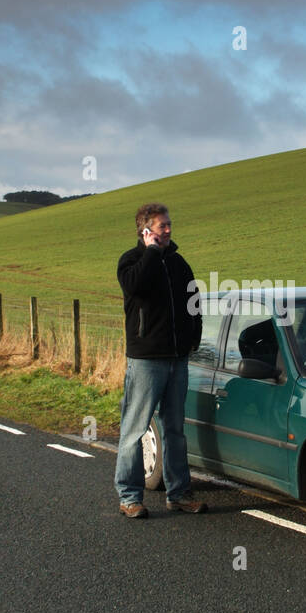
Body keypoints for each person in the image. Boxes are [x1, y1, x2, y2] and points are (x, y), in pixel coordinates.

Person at [113, 203, 205, 518]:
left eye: (168, 225)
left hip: (178, 359)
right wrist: (151, 253)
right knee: (134, 429)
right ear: (146, 230)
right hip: (146, 360)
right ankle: (129, 497)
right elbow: (134, 286)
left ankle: (178, 493)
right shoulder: (131, 261)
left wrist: (194, 337)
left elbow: (194, 302)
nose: (168, 230)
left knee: (175, 429)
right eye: (162, 226)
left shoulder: (179, 264)